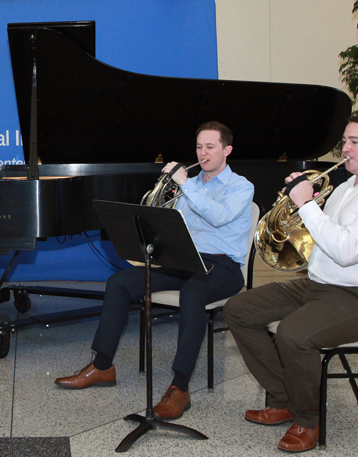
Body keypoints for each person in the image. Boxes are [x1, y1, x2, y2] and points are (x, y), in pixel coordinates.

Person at [224, 113, 358, 453]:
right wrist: (301, 208)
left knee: (294, 334)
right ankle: (283, 397)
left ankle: (308, 419)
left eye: (355, 142)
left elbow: (346, 250)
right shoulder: (346, 187)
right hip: (322, 287)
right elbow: (322, 240)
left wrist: (307, 203)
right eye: (345, 140)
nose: (345, 149)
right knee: (239, 308)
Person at [55, 121, 254, 420]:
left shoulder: (241, 186)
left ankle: (180, 387)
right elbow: (171, 225)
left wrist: (186, 185)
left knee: (192, 293)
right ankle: (102, 366)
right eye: (199, 146)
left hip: (222, 266)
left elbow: (217, 217)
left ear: (227, 150)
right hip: (184, 260)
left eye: (210, 147)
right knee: (119, 282)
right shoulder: (193, 185)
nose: (203, 152)